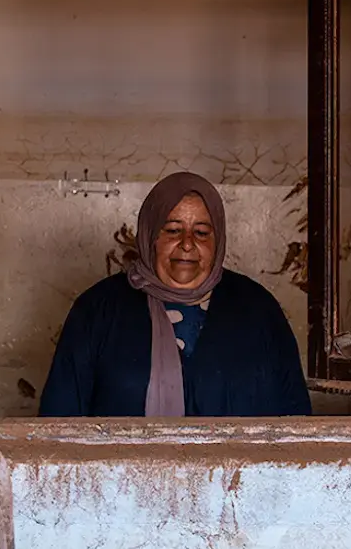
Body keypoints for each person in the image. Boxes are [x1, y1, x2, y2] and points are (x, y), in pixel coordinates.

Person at [38, 172, 311, 417]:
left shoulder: (258, 310)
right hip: (121, 475)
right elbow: (58, 422)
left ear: (218, 241)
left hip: (242, 475)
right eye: (172, 230)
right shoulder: (98, 310)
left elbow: (295, 420)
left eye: (202, 232)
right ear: (150, 236)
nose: (188, 244)